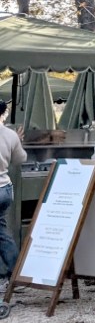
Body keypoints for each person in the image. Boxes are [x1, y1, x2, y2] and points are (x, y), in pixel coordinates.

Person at [0, 100, 25, 293]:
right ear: (5, 113)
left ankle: (15, 273)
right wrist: (15, 140)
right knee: (2, 233)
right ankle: (16, 273)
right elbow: (20, 159)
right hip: (5, 189)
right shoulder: (10, 135)